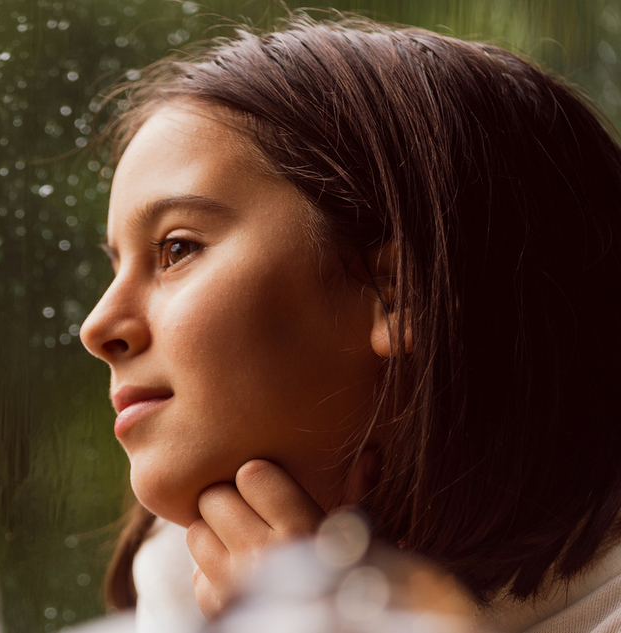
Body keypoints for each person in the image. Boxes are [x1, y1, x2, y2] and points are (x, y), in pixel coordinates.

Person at [77, 14, 621, 633]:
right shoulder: (174, 597)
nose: (98, 326)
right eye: (115, 266)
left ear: (394, 292)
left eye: (176, 249)